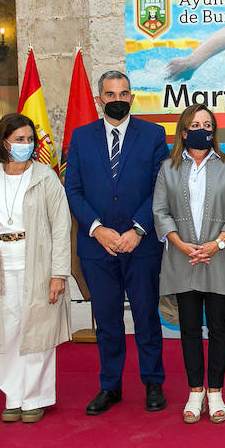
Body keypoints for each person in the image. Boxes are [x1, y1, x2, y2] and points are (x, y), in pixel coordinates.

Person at [64, 71, 170, 415]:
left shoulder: (153, 135)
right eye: (110, 94)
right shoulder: (80, 138)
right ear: (99, 99)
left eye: (124, 93)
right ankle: (110, 385)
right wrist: (97, 228)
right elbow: (73, 190)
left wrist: (138, 229)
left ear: (132, 97)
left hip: (141, 245)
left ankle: (153, 382)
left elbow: (160, 187)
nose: (118, 99)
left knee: (146, 317)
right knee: (107, 321)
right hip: (97, 246)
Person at [0, 114, 73, 423]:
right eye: (18, 139)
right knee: (6, 332)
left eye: (29, 140)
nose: (25, 145)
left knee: (36, 331)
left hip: (37, 266)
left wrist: (58, 274)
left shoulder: (45, 177)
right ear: (3, 142)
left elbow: (60, 229)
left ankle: (35, 397)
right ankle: (13, 395)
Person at [152, 105, 225, 423]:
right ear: (183, 131)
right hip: (182, 258)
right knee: (189, 328)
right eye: (195, 124)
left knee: (219, 327)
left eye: (208, 124)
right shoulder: (168, 167)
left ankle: (216, 392)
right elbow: (160, 211)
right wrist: (180, 244)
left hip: (218, 257)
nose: (202, 129)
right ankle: (195, 392)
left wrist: (217, 243)